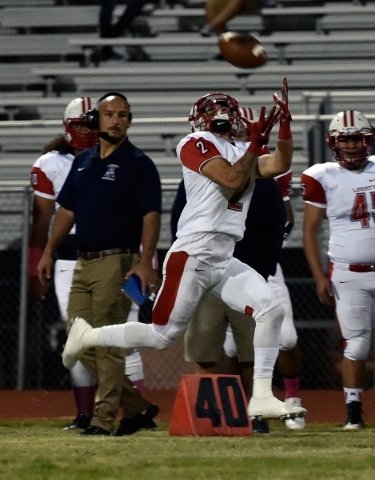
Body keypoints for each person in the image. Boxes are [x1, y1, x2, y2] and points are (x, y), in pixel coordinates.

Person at [62, 80, 307, 422]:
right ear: (199, 119)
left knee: (270, 311)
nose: (222, 115)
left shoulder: (240, 150)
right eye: (214, 111)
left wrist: (285, 126)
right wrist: (253, 145)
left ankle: (262, 396)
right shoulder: (193, 143)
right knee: (162, 335)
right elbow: (233, 179)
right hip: (193, 253)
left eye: (226, 110)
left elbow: (279, 163)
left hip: (223, 256)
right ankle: (86, 335)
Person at [38, 91, 162, 436]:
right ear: (97, 119)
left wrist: (144, 262)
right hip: (82, 262)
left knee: (106, 345)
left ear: (129, 121)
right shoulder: (83, 162)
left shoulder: (139, 163)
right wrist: (49, 250)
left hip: (117, 261)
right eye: (110, 114)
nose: (117, 120)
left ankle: (103, 419)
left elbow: (151, 214)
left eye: (124, 114)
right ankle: (139, 408)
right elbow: (66, 210)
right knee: (77, 341)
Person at [174, 107, 304, 432]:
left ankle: (254, 416)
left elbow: (275, 219)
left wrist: (258, 267)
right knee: (206, 350)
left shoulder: (253, 167)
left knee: (250, 348)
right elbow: (181, 217)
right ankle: (215, 416)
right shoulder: (198, 163)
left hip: (243, 270)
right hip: (205, 267)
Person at [301, 110, 375, 431]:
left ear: (367, 140)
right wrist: (319, 275)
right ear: (333, 142)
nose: (351, 146)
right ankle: (353, 411)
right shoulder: (323, 176)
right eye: (345, 138)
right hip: (348, 272)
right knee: (357, 343)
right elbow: (310, 231)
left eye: (357, 138)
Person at [29, 97, 99, 430]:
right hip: (69, 259)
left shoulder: (118, 157)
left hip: (113, 255)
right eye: (80, 124)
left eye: (91, 124)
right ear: (67, 127)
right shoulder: (51, 163)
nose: (86, 131)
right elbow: (40, 221)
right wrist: (35, 266)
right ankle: (85, 414)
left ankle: (127, 411)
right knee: (78, 338)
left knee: (115, 337)